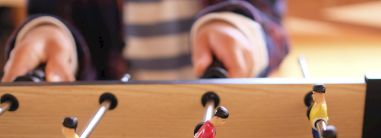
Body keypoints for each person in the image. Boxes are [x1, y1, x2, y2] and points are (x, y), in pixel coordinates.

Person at [1, 1, 289, 82]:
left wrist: (239, 27)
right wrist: (51, 32)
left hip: (223, 119)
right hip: (110, 130)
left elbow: (273, 31)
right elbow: (52, 13)